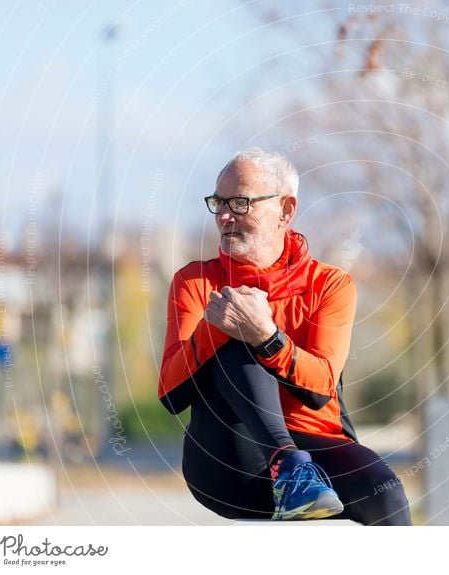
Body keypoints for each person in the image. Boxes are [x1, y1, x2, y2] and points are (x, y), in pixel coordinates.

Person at [158, 147, 412, 525]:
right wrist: (218, 326)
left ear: (286, 210)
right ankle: (290, 466)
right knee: (235, 337)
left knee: (386, 493)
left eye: (241, 202)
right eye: (219, 202)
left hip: (317, 448)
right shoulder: (195, 282)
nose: (225, 215)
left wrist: (268, 336)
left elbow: (320, 388)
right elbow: (170, 394)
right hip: (229, 462)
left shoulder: (330, 284)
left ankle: (299, 473)